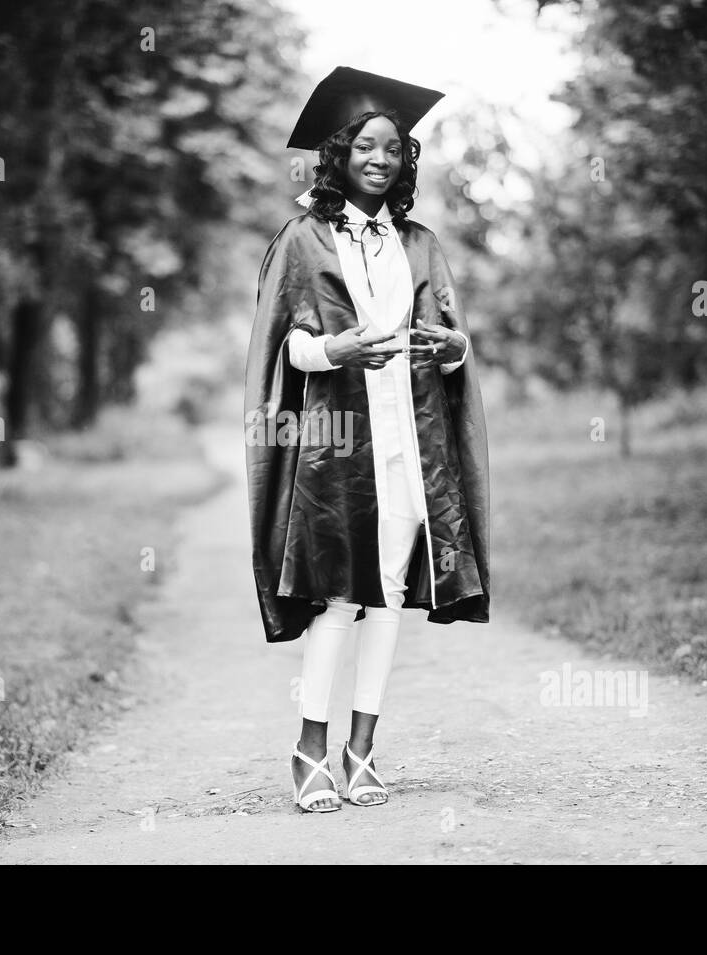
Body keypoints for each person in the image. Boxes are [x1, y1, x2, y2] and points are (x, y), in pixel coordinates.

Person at [244, 67, 490, 813]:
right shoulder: (303, 237)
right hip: (337, 443)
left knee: (386, 596)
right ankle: (310, 750)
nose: (381, 158)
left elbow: (454, 346)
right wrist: (337, 350)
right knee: (337, 599)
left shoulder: (419, 243)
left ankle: (363, 748)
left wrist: (453, 349)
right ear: (341, 154)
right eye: (367, 146)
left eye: (394, 148)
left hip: (409, 442)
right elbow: (285, 347)